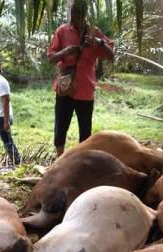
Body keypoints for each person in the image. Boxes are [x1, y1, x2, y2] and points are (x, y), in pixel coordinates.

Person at [48, 0, 114, 157]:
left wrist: (99, 42)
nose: (72, 17)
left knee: (85, 129)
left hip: (85, 89)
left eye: (77, 13)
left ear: (85, 14)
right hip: (65, 88)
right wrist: (64, 52)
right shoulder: (62, 31)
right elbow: (51, 58)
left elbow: (110, 55)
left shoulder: (94, 32)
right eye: (72, 12)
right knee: (60, 124)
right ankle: (59, 158)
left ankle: (83, 159)